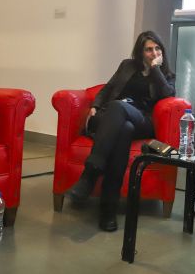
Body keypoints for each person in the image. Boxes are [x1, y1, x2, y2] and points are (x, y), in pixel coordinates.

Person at [67, 31, 176, 232]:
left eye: (157, 49)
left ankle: (89, 175)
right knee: (124, 129)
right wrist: (95, 106)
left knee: (119, 108)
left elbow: (168, 94)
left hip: (141, 119)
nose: (154, 53)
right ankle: (108, 210)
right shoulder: (127, 65)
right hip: (114, 119)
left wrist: (155, 70)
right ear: (140, 52)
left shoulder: (166, 75)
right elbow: (108, 88)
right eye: (148, 49)